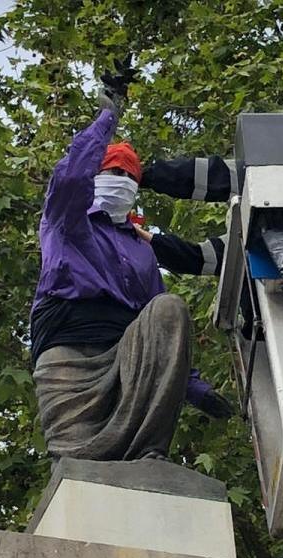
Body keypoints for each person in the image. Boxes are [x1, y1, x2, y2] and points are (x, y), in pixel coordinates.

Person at [30, 82, 233, 463]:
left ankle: (149, 452)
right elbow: (71, 179)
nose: (121, 183)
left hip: (127, 356)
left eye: (129, 178)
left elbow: (160, 329)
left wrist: (198, 391)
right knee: (78, 465)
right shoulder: (66, 220)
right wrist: (107, 120)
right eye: (112, 173)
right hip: (70, 352)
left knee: (169, 308)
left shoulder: (141, 249)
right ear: (95, 177)